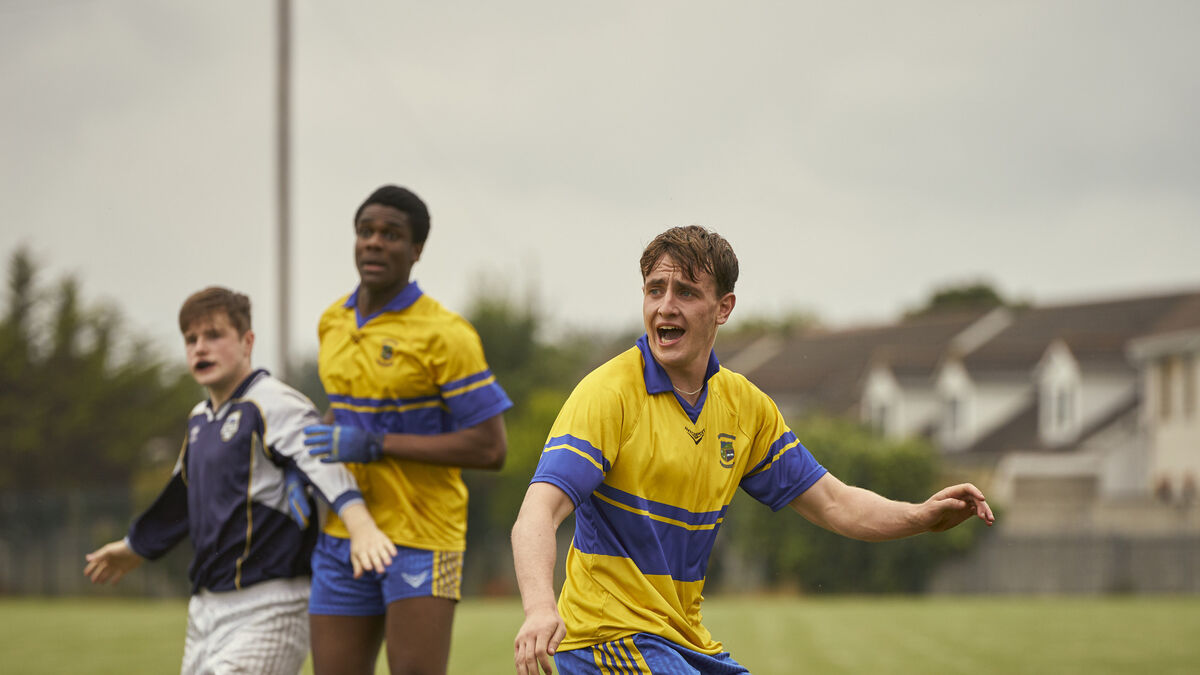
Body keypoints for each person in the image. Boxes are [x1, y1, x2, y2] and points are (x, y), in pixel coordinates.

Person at [511, 226, 996, 675]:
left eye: (686, 292)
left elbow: (833, 502)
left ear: (723, 308)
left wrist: (919, 516)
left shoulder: (744, 408)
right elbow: (538, 512)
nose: (665, 307)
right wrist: (539, 608)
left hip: (682, 640)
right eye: (655, 290)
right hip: (604, 639)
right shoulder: (608, 394)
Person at [84, 287, 395, 675]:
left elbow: (322, 465)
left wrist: (360, 524)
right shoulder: (200, 418)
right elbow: (182, 496)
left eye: (214, 335)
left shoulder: (276, 403)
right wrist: (136, 546)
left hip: (271, 604)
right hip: (206, 609)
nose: (200, 347)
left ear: (248, 342)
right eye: (191, 339)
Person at [303, 184, 513, 675]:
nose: (375, 242)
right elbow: (346, 409)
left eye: (391, 234)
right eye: (366, 231)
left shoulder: (446, 334)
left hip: (423, 533)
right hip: (344, 531)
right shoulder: (332, 322)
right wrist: (305, 462)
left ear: (416, 250)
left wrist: (376, 445)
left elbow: (491, 448)